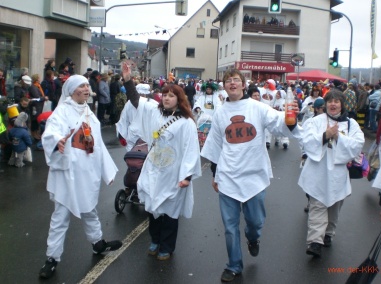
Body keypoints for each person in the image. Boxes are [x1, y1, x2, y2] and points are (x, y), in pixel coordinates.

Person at [200, 69, 300, 282]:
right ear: (224, 86)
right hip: (228, 176)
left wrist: (291, 119)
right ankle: (234, 265)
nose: (232, 83)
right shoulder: (220, 113)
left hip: (254, 176)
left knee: (255, 222)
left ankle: (253, 238)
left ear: (243, 85)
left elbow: (279, 123)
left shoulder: (258, 108)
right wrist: (215, 174)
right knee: (229, 227)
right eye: (228, 81)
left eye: (236, 80)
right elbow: (215, 144)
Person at [39, 75, 121, 279]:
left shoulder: (88, 112)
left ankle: (98, 243)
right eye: (82, 86)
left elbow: (98, 143)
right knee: (61, 216)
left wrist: (106, 171)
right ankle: (52, 258)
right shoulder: (62, 111)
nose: (86, 89)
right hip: (68, 175)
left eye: (87, 85)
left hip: (87, 172)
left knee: (89, 209)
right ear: (72, 90)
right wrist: (58, 141)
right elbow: (51, 132)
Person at [122, 62, 201, 261]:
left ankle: (166, 246)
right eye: (164, 94)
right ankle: (155, 240)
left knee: (170, 212)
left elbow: (191, 150)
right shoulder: (154, 112)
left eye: (171, 95)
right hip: (153, 168)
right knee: (152, 208)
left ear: (179, 99)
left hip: (173, 173)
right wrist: (128, 80)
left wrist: (187, 176)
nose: (166, 98)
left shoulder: (186, 123)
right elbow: (136, 101)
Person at [299, 89, 364, 258]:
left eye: (336, 101)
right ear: (325, 104)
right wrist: (325, 135)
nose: (333, 104)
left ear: (342, 104)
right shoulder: (316, 121)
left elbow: (358, 144)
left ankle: (328, 233)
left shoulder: (351, 124)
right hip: (317, 172)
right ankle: (315, 242)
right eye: (330, 101)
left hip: (338, 174)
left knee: (334, 206)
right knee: (317, 205)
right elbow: (306, 140)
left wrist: (338, 138)